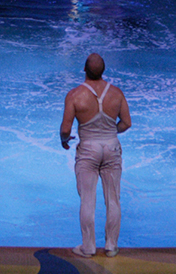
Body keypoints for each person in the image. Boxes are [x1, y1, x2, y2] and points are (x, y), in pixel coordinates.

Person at [59, 52, 131, 259]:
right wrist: (108, 132)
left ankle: (88, 247)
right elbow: (126, 123)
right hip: (111, 147)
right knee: (113, 199)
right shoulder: (116, 93)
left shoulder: (74, 95)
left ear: (84, 70)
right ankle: (111, 247)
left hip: (88, 149)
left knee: (88, 200)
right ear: (104, 71)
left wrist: (64, 141)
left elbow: (65, 129)